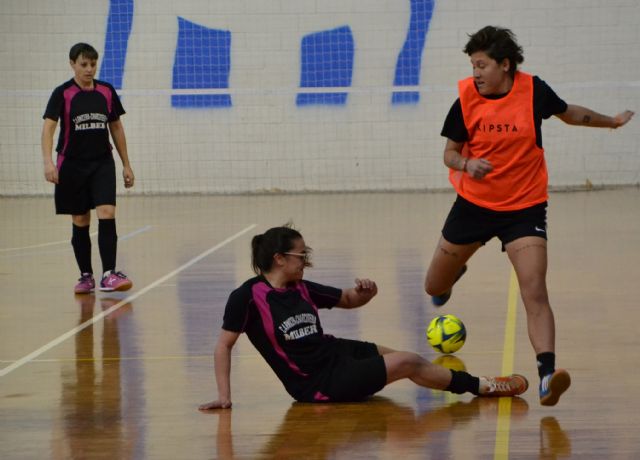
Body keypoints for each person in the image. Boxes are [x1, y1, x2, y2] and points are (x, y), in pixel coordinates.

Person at [423, 26, 634, 406]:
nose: (476, 73)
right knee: (433, 287)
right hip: (473, 206)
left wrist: (613, 123)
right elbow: (449, 154)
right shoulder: (466, 99)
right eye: (473, 65)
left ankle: (546, 376)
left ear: (505, 65)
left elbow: (570, 113)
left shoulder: (533, 91)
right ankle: (453, 273)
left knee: (534, 290)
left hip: (524, 207)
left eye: (482, 65)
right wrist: (467, 164)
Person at [199, 225, 528, 410]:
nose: (307, 260)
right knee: (408, 362)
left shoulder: (300, 286)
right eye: (302, 255)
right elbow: (223, 346)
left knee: (390, 354)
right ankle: (484, 386)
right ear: (279, 259)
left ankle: (456, 382)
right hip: (316, 383)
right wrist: (225, 396)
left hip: (334, 353)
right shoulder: (247, 297)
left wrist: (365, 293)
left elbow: (345, 298)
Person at [41, 43, 135, 294]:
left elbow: (116, 127)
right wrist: (48, 161)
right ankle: (86, 276)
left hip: (102, 162)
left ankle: (109, 274)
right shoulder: (63, 93)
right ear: (72, 63)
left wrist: (126, 164)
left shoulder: (106, 91)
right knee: (81, 219)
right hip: (71, 164)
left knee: (107, 211)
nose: (89, 69)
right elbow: (49, 128)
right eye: (84, 64)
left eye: (93, 64)